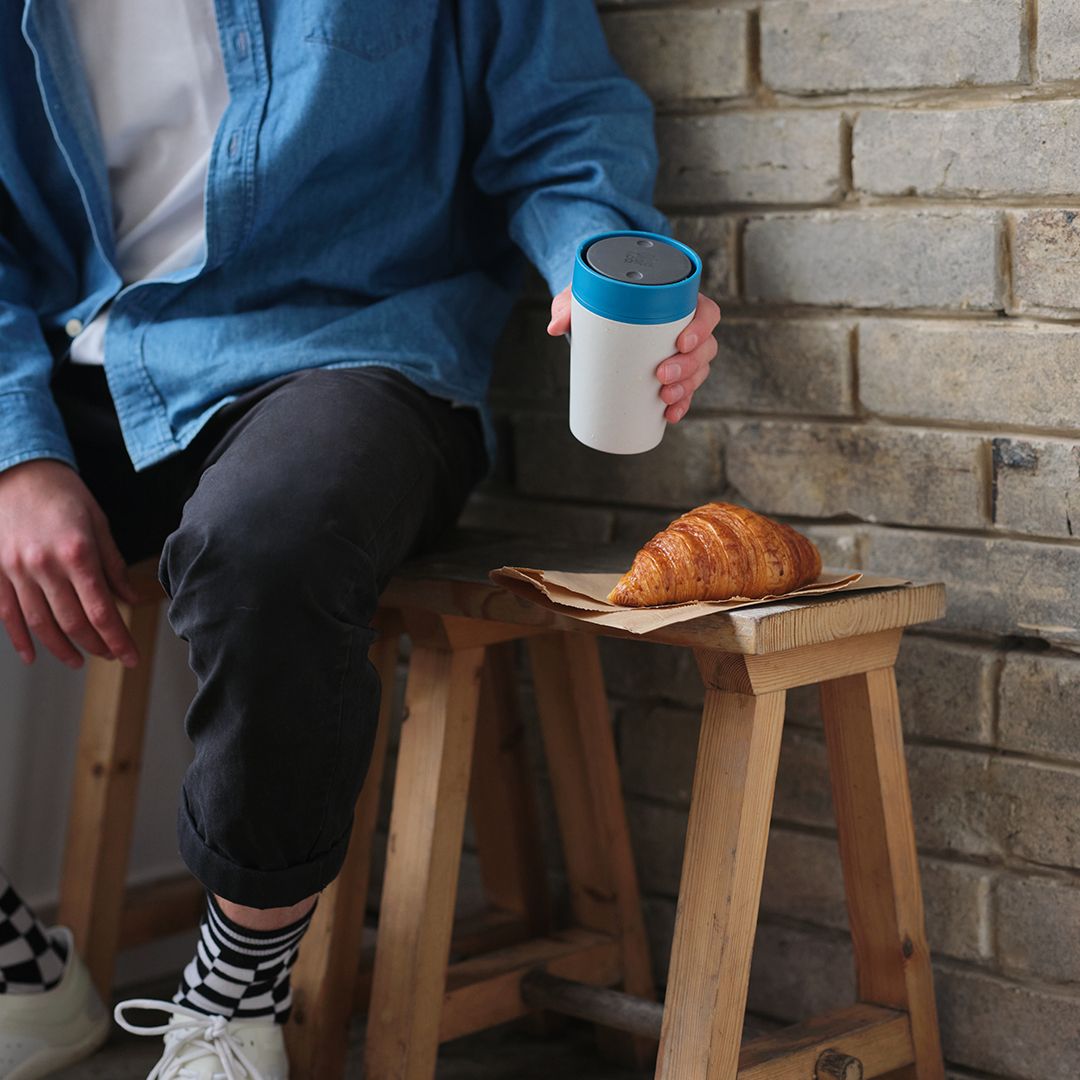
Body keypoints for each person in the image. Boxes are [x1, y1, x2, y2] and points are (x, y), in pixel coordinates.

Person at [0, 2, 721, 1077]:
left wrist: (598, 264)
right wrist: (17, 454)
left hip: (354, 347)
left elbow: (560, 118)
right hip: (97, 360)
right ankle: (25, 974)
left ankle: (234, 999)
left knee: (270, 544)